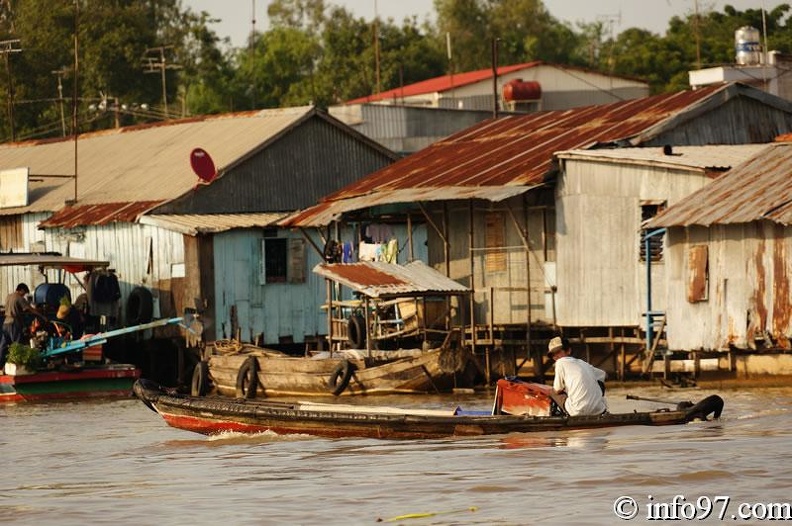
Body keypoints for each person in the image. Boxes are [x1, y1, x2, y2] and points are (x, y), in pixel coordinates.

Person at [547, 336, 607, 416]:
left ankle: (556, 415)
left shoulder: (560, 362)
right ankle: (596, 405)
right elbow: (602, 374)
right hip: (599, 410)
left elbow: (557, 389)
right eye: (553, 355)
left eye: (558, 352)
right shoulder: (583, 363)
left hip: (577, 411)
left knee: (552, 391)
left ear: (568, 350)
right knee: (598, 382)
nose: (555, 357)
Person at [1, 283, 41, 366]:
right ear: (22, 290)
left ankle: (0, 366)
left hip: (5, 323)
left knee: (3, 345)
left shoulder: (9, 296)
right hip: (13, 323)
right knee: (17, 345)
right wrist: (41, 316)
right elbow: (29, 309)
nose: (24, 295)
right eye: (24, 293)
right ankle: (18, 365)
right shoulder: (19, 298)